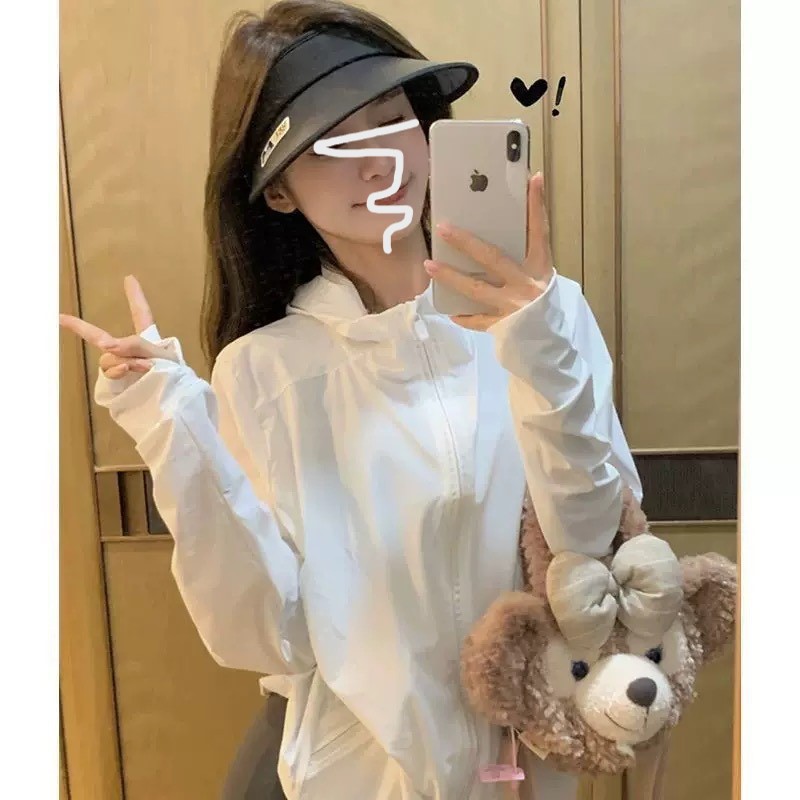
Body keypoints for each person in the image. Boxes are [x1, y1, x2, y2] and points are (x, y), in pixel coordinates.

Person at [59, 2, 643, 798]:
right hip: (349, 777)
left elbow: (594, 548)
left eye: (393, 120)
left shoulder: (553, 316)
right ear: (278, 192)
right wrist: (173, 431)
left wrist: (537, 346)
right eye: (332, 144)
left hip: (519, 771)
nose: (378, 162)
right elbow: (267, 634)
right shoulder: (265, 370)